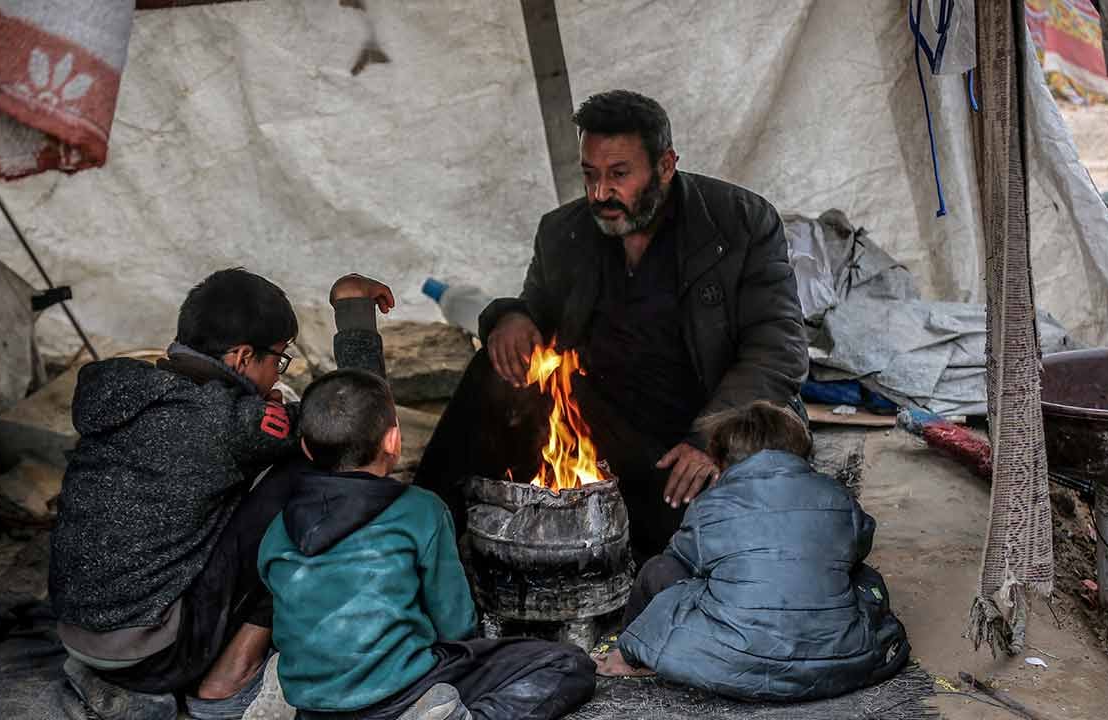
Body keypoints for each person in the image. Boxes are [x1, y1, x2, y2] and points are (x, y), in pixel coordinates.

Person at [415, 89, 808, 558]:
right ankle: (425, 525)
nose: (600, 193)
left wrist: (707, 438)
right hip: (604, 419)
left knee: (697, 539)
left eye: (619, 175)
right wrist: (511, 318)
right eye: (590, 174)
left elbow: (777, 349)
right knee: (492, 369)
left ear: (665, 166)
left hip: (701, 422)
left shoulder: (740, 222)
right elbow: (536, 306)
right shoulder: (565, 231)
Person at [49, 269, 394, 720]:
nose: (276, 376)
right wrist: (352, 310)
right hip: (155, 656)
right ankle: (230, 675)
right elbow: (356, 419)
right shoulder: (227, 422)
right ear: (242, 356)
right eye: (278, 360)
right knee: (314, 468)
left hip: (80, 632)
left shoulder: (133, 392)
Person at [258, 368, 596, 720]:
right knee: (568, 664)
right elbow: (457, 625)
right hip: (402, 692)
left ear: (305, 448)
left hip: (314, 702)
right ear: (393, 441)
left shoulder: (278, 527)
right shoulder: (420, 509)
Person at [592, 400, 910, 702]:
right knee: (865, 577)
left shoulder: (710, 506)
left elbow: (681, 561)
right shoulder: (838, 497)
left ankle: (629, 656)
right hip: (843, 661)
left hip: (732, 663)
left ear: (720, 461)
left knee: (660, 570)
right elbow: (860, 544)